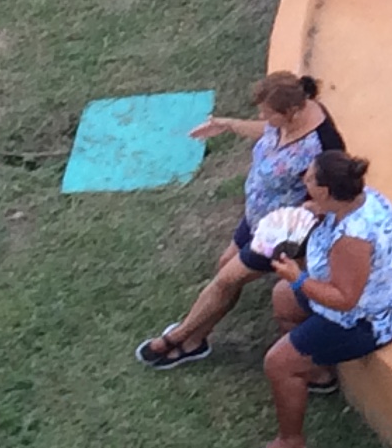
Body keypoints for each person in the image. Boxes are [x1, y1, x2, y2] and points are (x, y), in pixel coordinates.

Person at [135, 71, 341, 369]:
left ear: (292, 112)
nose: (262, 117)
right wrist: (228, 124)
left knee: (226, 279)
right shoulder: (289, 119)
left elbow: (330, 197)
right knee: (225, 266)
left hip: (280, 232)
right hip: (256, 216)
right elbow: (269, 132)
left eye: (268, 113)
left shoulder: (322, 146)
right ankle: (196, 341)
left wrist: (306, 211)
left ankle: (177, 338)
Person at [244, 152, 392, 448]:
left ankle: (289, 445)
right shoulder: (361, 200)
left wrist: (297, 278)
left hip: (365, 320)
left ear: (325, 190)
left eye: (310, 178)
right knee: (283, 298)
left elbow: (344, 299)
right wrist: (320, 212)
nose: (304, 180)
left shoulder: (352, 239)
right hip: (361, 298)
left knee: (277, 363)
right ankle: (318, 374)